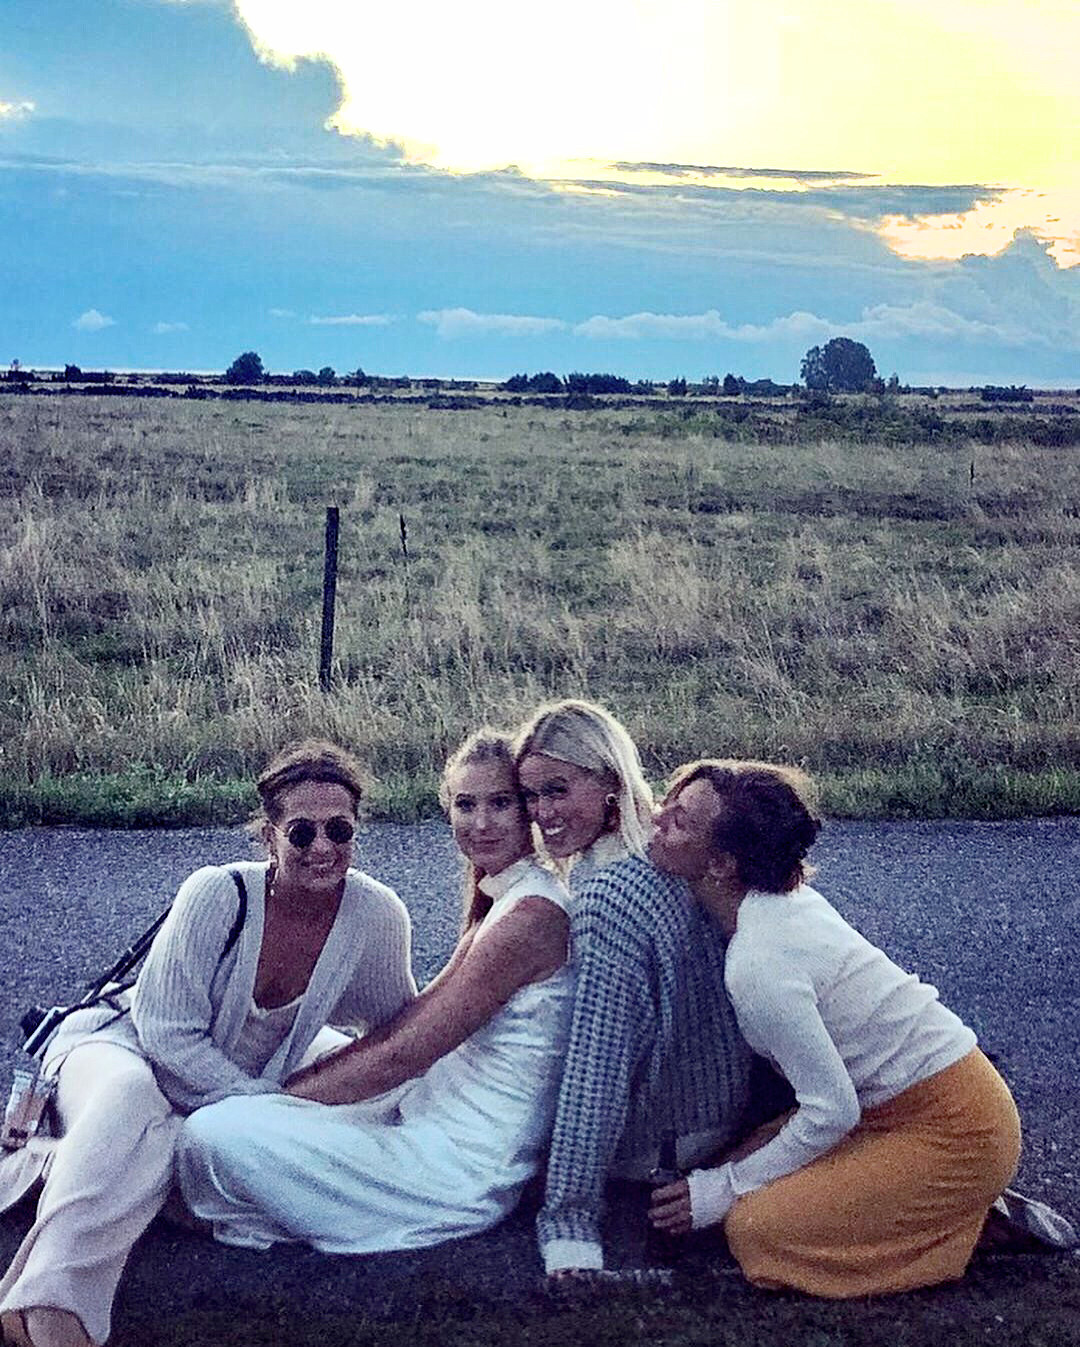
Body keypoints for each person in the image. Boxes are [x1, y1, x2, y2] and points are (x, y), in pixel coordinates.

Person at [0, 741, 416, 1347]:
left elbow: (397, 1031)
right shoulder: (218, 893)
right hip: (121, 1046)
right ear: (269, 836)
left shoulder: (375, 916)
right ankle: (52, 1312)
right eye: (302, 832)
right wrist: (262, 1106)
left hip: (216, 1092)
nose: (323, 847)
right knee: (132, 1099)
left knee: (156, 1142)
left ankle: (36, 1252)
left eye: (339, 829)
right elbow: (166, 1036)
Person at [175, 728, 574, 1253]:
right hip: (427, 1111)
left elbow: (402, 1054)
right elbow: (418, 1016)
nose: (480, 823)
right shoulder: (505, 895)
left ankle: (237, 1200)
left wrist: (276, 1102)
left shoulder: (532, 915)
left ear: (527, 809)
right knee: (299, 1070)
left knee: (211, 1133)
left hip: (459, 1166)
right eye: (465, 804)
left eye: (500, 803)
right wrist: (290, 1098)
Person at [646, 759, 1023, 1296]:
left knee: (755, 1228)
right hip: (877, 1109)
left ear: (722, 865)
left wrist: (723, 1189)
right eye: (667, 803)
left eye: (679, 819)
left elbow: (832, 1109)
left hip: (958, 1129)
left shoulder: (759, 962)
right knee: (735, 1170)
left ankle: (960, 1222)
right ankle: (930, 1206)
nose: (657, 819)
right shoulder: (772, 903)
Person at [513, 699, 755, 1276]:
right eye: (530, 795)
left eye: (557, 790)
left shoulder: (608, 897)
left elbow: (598, 1067)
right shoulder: (660, 848)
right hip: (717, 1101)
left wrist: (568, 1224)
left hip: (668, 1136)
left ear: (610, 784)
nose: (541, 813)